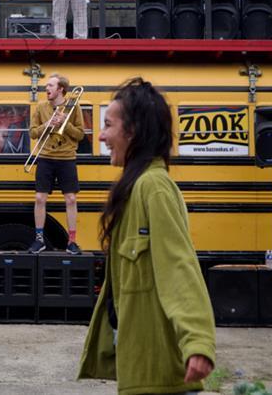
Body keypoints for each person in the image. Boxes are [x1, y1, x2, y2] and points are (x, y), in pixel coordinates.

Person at [79, 77, 216, 394]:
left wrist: (197, 340)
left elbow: (179, 265)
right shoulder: (135, 187)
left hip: (163, 377)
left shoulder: (153, 187)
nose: (100, 136)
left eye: (108, 125)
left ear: (134, 131)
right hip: (141, 370)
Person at [28, 73, 85, 254]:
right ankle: (39, 239)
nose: (46, 88)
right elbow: (32, 133)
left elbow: (80, 135)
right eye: (47, 86)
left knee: (71, 199)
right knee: (39, 198)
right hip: (45, 157)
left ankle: (72, 241)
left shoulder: (74, 107)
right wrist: (47, 124)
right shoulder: (41, 107)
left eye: (50, 86)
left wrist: (64, 124)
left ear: (60, 89)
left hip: (67, 158)